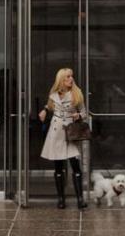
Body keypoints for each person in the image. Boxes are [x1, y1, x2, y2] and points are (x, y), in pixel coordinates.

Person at [37, 68, 88, 209]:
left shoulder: (76, 93)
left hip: (70, 132)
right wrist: (44, 111)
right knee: (58, 167)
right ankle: (61, 199)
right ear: (61, 80)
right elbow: (50, 105)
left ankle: (80, 199)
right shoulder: (54, 94)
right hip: (56, 132)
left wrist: (78, 116)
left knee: (75, 166)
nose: (71, 79)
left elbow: (84, 112)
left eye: (71, 76)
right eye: (67, 77)